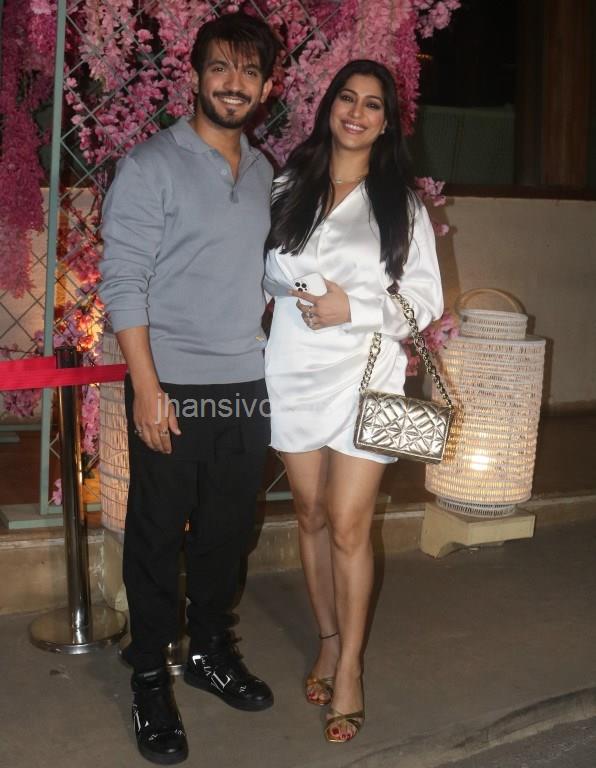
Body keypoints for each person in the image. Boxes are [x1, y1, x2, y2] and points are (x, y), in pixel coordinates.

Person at [100, 13, 279, 765]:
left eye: (249, 72)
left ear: (266, 87)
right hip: (171, 384)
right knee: (154, 537)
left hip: (245, 384)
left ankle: (207, 651)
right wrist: (146, 388)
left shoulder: (265, 172)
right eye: (220, 68)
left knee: (228, 534)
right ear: (196, 75)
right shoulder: (151, 166)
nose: (234, 84)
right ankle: (149, 675)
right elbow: (123, 281)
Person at [264, 59, 444, 743]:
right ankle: (328, 639)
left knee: (347, 522)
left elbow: (425, 300)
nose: (357, 112)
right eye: (348, 98)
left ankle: (350, 670)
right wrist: (297, 284)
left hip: (367, 373)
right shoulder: (290, 181)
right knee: (309, 513)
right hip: (292, 365)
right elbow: (265, 269)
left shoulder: (402, 203)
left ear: (387, 122)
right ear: (330, 106)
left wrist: (356, 307)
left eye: (373, 104)